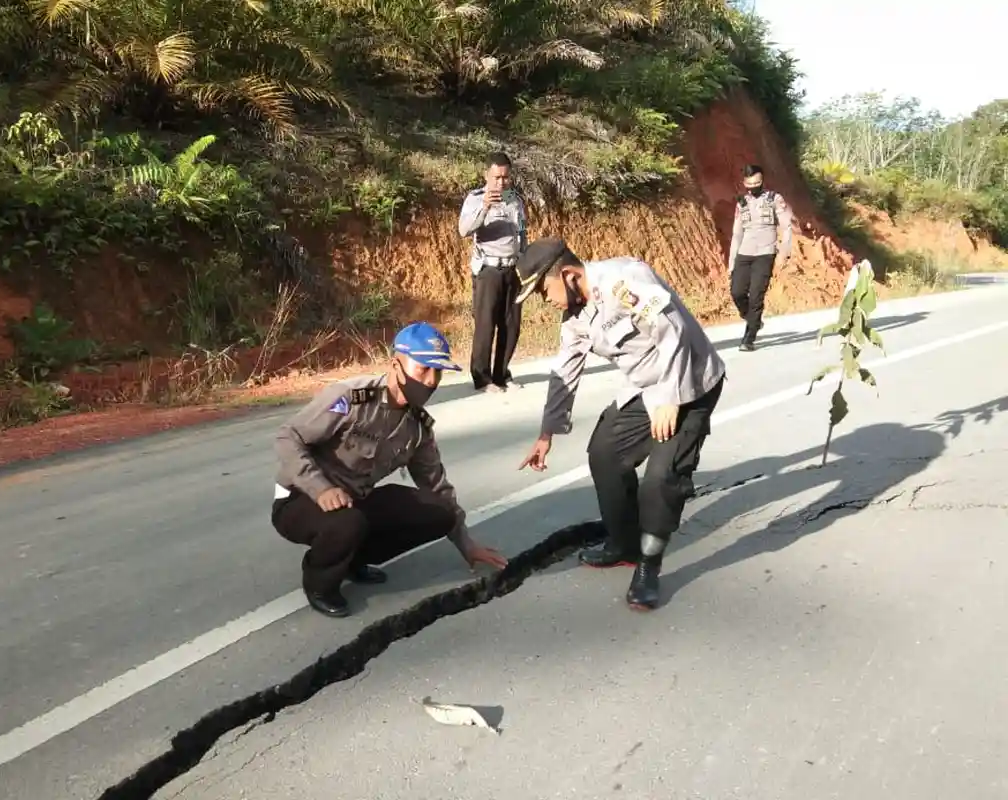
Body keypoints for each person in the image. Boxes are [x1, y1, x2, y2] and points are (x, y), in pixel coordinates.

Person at [515, 238, 725, 611]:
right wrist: (546, 433)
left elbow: (672, 331)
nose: (544, 301)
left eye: (543, 290)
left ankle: (647, 567)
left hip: (689, 383)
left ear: (567, 274)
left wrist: (672, 398)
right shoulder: (576, 318)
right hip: (644, 391)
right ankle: (624, 543)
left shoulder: (624, 281)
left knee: (662, 478)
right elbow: (564, 372)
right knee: (604, 454)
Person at [271, 321, 508, 618]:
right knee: (347, 523)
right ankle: (320, 582)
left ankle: (351, 560)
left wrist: (466, 544)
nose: (431, 380)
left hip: (354, 500)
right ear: (396, 364)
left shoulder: (417, 428)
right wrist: (321, 489)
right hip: (299, 498)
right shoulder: (351, 399)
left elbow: (436, 486)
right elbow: (287, 437)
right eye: (423, 369)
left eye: (438, 372)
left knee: (439, 513)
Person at [457, 151, 527, 393]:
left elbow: (521, 234)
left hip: (512, 268)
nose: (501, 182)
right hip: (488, 269)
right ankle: (482, 378)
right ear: (486, 175)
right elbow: (464, 230)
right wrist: (485, 208)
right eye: (496, 177)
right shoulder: (475, 199)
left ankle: (502, 374)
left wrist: (525, 262)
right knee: (486, 325)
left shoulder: (515, 200)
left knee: (511, 324)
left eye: (505, 177)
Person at [727, 163, 794, 351]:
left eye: (757, 182)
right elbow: (737, 234)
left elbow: (786, 227)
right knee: (737, 292)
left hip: (765, 253)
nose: (753, 187)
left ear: (762, 181)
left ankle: (749, 338)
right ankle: (752, 318)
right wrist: (731, 262)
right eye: (749, 183)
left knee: (756, 295)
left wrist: (783, 253)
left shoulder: (774, 199)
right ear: (744, 183)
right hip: (744, 253)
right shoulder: (741, 202)